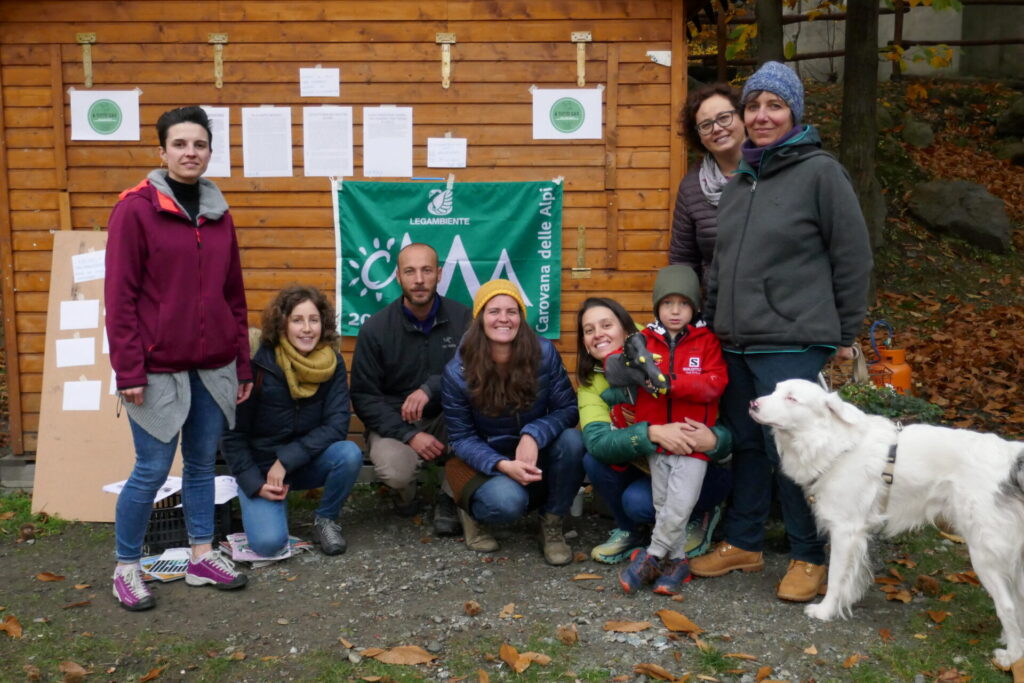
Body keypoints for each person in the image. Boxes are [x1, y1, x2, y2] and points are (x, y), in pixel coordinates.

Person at [693, 61, 873, 602]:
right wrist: (715, 321)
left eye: (774, 105)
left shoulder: (821, 173)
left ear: (794, 112)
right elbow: (721, 264)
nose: (762, 115)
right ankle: (745, 542)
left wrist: (845, 332)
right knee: (748, 444)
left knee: (793, 452)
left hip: (793, 337)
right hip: (738, 340)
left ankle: (809, 555)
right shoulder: (741, 181)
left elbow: (853, 256)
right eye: (754, 106)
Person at [105, 105, 251, 611]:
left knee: (201, 467)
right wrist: (129, 369)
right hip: (156, 367)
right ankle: (127, 567)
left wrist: (243, 364)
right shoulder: (135, 208)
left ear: (210, 151)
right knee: (150, 468)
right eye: (180, 144)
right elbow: (119, 298)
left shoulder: (218, 212)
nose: (191, 153)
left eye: (200, 145)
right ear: (162, 151)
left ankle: (201, 556)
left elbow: (234, 295)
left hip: (213, 365)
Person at [578, 298, 733, 568]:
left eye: (606, 325)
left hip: (695, 459)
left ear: (627, 331)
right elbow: (598, 442)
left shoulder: (661, 350)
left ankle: (699, 515)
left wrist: (716, 440)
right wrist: (653, 433)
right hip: (650, 464)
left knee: (648, 499)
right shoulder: (592, 382)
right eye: (589, 330)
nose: (598, 334)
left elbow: (726, 416)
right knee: (598, 464)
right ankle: (631, 530)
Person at [441, 279, 585, 565]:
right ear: (480, 318)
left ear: (521, 316)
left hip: (533, 454)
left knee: (573, 442)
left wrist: (533, 435)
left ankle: (551, 525)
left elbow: (568, 408)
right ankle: (471, 512)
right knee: (508, 503)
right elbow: (460, 438)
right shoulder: (457, 371)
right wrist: (501, 464)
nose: (504, 319)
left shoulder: (544, 353)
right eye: (494, 311)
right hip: (486, 462)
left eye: (512, 311)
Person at [608, 266, 728, 595]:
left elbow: (715, 384)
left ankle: (652, 554)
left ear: (695, 308)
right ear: (657, 306)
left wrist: (672, 383)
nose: (675, 311)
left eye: (683, 304)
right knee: (663, 505)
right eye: (667, 303)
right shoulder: (644, 340)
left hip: (693, 441)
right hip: (659, 439)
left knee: (680, 504)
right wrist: (631, 363)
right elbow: (616, 370)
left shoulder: (707, 342)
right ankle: (678, 564)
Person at [221, 285, 363, 558]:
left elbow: (337, 425)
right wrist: (255, 483)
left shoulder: (330, 362)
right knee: (268, 545)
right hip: (262, 470)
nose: (307, 328)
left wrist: (286, 460)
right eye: (297, 320)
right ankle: (265, 506)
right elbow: (231, 436)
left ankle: (325, 520)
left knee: (349, 454)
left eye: (314, 320)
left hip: (304, 461)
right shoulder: (257, 364)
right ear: (282, 323)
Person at [350, 243, 473, 535]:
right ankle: (405, 493)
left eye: (426, 270)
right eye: (410, 271)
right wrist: (409, 434)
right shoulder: (375, 328)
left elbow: (474, 371)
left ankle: (448, 496)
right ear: (397, 276)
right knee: (395, 471)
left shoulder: (463, 319)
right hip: (395, 422)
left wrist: (431, 387)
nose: (419, 279)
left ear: (439, 274)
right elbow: (364, 397)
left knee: (485, 426)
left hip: (448, 416)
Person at [669, 83, 745, 289]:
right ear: (699, 137)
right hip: (720, 308)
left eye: (724, 118)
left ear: (743, 117)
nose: (717, 129)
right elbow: (683, 260)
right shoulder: (692, 187)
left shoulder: (774, 172)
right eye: (706, 125)